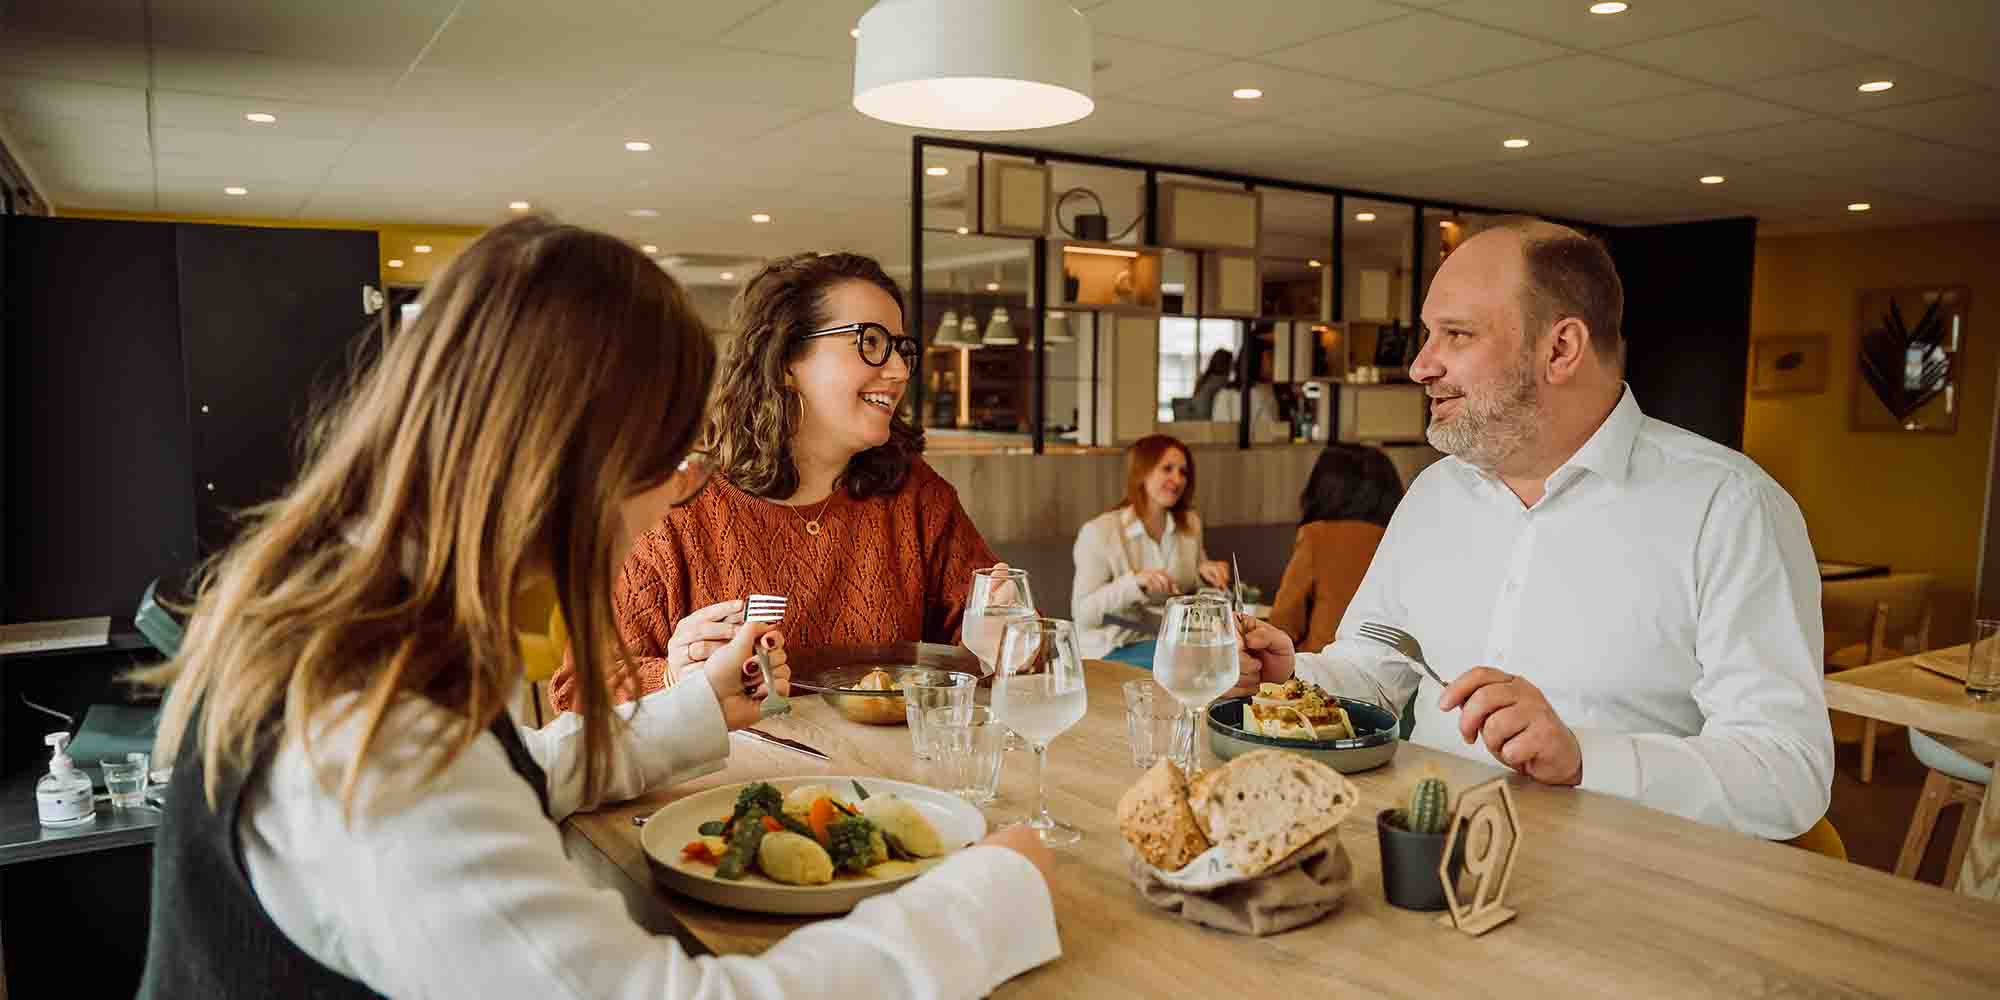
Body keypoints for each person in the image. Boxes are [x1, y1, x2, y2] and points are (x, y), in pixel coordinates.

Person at [135, 218, 1057, 998]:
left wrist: (693, 710)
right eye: (665, 458)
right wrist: (987, 900)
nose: (670, 500)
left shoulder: (355, 621)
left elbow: (504, 777)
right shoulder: (376, 735)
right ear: (574, 455)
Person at [1229, 217, 1833, 840]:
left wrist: (1583, 759)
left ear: (1560, 349)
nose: (1421, 366)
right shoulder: (1433, 495)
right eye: (1429, 335)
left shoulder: (1729, 507)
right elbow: (1373, 672)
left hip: (1624, 878)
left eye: (1456, 335)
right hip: (1425, 852)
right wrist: (1288, 678)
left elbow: (1786, 773)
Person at [548, 251, 1003, 712]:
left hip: (888, 761)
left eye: (901, 349)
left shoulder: (915, 493)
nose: (900, 371)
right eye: (870, 342)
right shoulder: (677, 499)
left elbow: (984, 652)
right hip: (725, 761)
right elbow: (578, 690)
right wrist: (673, 678)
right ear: (787, 360)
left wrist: (1005, 640)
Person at [1072, 434, 1230, 664]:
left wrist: (1206, 574)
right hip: (1113, 646)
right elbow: (1083, 614)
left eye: (1183, 472)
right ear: (1142, 472)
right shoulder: (1099, 532)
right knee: (1199, 663)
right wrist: (1135, 582)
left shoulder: (1190, 524)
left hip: (1170, 641)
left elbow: (1191, 588)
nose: (1177, 479)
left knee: (1230, 656)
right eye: (1167, 469)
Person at [1268, 443, 1403, 654]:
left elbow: (1284, 624)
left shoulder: (1317, 537)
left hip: (1324, 666)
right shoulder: (1402, 539)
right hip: (1394, 668)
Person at [1189, 348, 1234, 418]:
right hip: (1207, 422)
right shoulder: (1221, 382)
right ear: (1226, 364)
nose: (1233, 367)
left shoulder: (1205, 379)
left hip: (1196, 420)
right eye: (1231, 363)